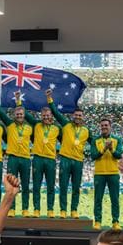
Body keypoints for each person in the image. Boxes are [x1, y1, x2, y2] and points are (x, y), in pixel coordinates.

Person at [46, 88, 90, 218]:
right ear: (72, 116)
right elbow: (55, 112)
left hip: (78, 161)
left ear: (83, 117)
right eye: (76, 115)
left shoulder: (86, 131)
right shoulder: (65, 125)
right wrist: (49, 98)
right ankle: (63, 210)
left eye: (80, 115)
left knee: (76, 187)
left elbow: (95, 143)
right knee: (63, 186)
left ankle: (74, 210)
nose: (77, 117)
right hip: (65, 159)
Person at [17, 92, 62, 217]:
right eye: (44, 115)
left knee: (50, 186)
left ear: (51, 116)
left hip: (50, 160)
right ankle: (36, 209)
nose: (46, 117)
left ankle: (50, 210)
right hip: (37, 159)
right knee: (36, 186)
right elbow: (25, 114)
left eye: (48, 115)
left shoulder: (57, 129)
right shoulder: (36, 125)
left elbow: (65, 141)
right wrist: (18, 100)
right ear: (41, 116)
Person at [0, 89, 33, 217]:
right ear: (14, 115)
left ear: (24, 115)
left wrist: (19, 100)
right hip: (13, 158)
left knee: (25, 185)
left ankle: (25, 208)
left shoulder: (30, 128)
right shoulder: (9, 125)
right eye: (17, 114)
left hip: (25, 158)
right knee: (12, 186)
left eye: (21, 114)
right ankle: (12, 208)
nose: (19, 116)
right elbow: (0, 112)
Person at [90, 117, 123, 230]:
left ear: (110, 127)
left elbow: (119, 155)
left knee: (115, 199)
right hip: (99, 173)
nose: (104, 127)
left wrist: (111, 149)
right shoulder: (95, 140)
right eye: (102, 125)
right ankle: (98, 221)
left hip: (113, 173)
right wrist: (104, 149)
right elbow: (93, 156)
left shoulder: (117, 139)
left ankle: (115, 222)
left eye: (106, 125)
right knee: (98, 199)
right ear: (100, 127)